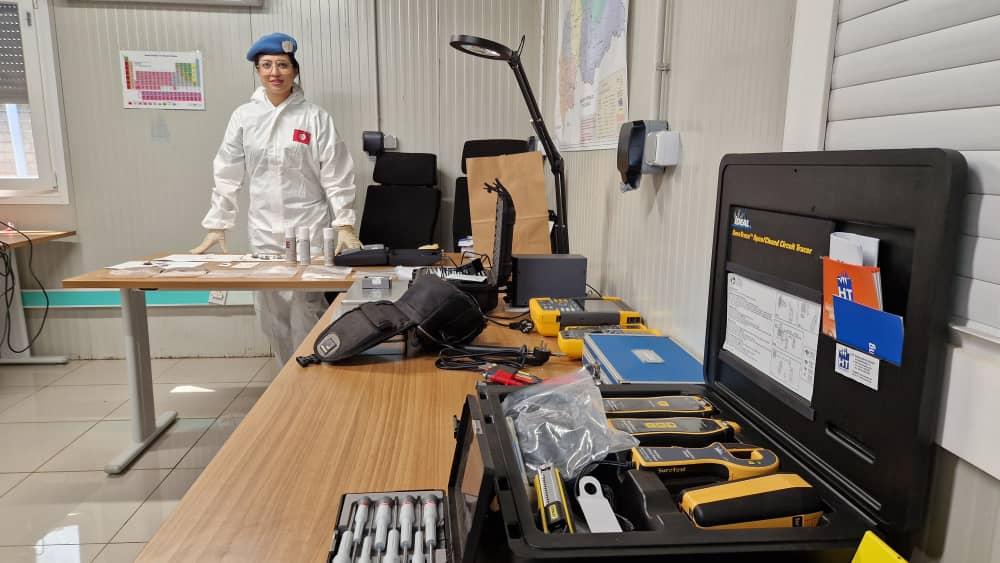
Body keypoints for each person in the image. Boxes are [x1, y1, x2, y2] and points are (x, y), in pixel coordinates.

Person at [191, 32, 363, 365]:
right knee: (271, 315)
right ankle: (287, 376)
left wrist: (344, 223)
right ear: (257, 71)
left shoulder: (314, 117)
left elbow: (337, 171)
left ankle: (309, 375)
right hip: (264, 231)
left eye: (282, 65)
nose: (275, 72)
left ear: (295, 70)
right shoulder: (244, 117)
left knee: (306, 309)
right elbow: (227, 171)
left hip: (309, 230)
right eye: (267, 65)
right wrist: (217, 224)